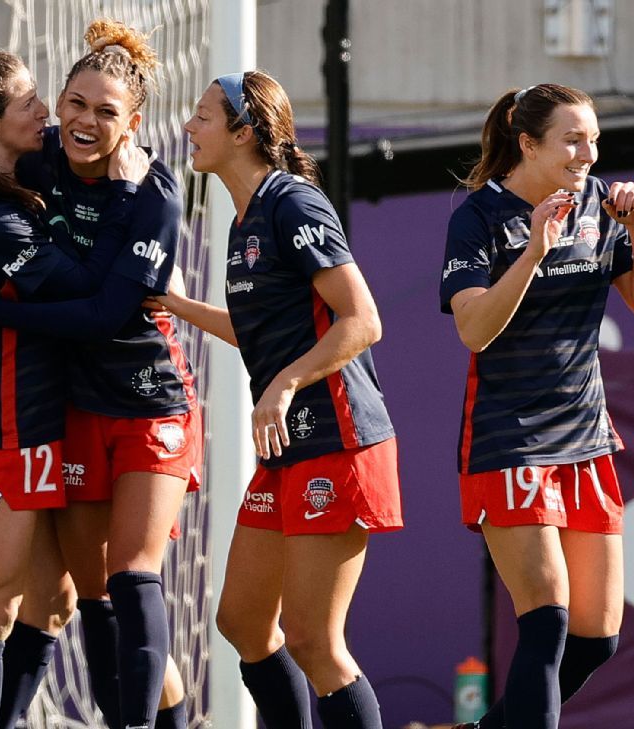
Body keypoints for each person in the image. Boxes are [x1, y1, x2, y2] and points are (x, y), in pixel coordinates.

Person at [0, 19, 197, 729]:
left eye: (105, 111)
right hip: (73, 410)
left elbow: (107, 313)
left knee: (131, 576)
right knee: (67, 598)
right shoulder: (39, 160)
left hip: (148, 402)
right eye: (73, 101)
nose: (79, 120)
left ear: (131, 123)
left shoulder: (156, 194)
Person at [158, 70, 402, 729]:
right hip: (288, 444)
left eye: (203, 116)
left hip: (339, 438)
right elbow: (260, 329)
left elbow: (363, 320)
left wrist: (286, 382)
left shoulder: (292, 202)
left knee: (315, 641)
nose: (188, 127)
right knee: (241, 618)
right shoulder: (245, 219)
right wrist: (177, 304)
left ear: (243, 132)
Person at [440, 84, 634, 729]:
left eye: (594, 139)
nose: (587, 154)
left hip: (586, 441)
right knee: (547, 620)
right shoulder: (480, 217)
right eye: (573, 139)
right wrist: (535, 250)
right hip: (509, 440)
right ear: (528, 143)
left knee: (597, 639)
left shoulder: (601, 205)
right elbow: (473, 329)